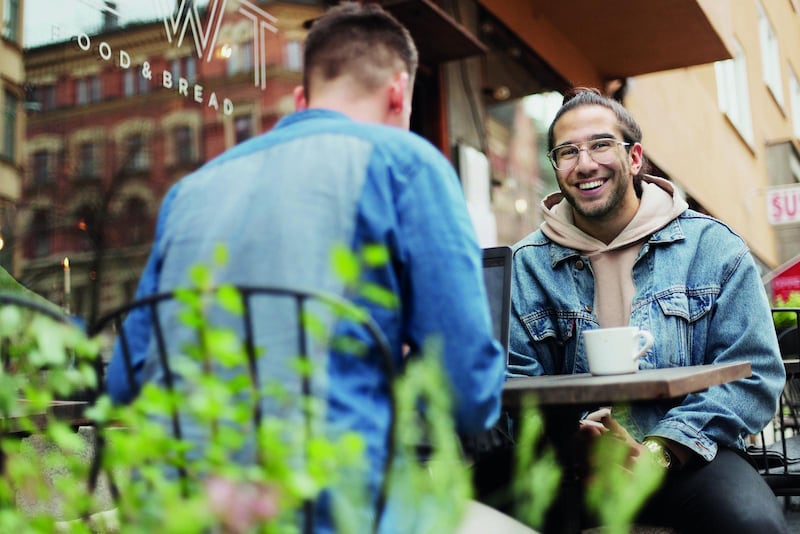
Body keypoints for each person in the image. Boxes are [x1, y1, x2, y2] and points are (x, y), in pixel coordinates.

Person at [105, 2, 507, 532]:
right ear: (397, 91)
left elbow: (122, 386)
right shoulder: (406, 161)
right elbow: (470, 397)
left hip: (183, 509)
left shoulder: (188, 192)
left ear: (301, 100)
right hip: (332, 506)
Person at [508, 87, 789, 533]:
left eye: (601, 144)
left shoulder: (712, 248)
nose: (585, 164)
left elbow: (753, 373)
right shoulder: (526, 264)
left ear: (635, 158)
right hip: (569, 459)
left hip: (690, 454)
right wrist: (575, 435)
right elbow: (513, 379)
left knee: (753, 523)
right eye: (567, 152)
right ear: (556, 167)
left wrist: (659, 450)